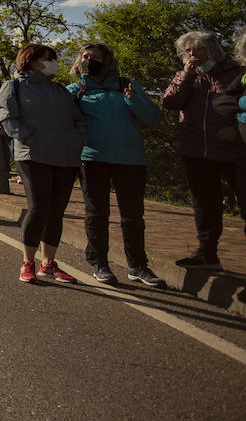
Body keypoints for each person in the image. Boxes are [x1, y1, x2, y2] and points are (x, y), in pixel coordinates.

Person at [68, 43, 165, 287]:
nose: (89, 60)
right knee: (97, 214)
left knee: (133, 216)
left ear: (107, 60)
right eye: (85, 56)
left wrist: (133, 101)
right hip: (92, 159)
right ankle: (99, 262)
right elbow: (60, 121)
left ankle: (138, 266)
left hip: (131, 160)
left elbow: (154, 118)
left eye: (94, 56)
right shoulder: (75, 90)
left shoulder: (127, 85)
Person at [0, 43, 86, 284]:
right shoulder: (13, 86)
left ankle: (48, 263)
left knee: (56, 211)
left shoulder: (59, 90)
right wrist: (32, 139)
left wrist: (76, 140)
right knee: (38, 208)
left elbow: (78, 119)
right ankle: (28, 261)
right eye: (49, 58)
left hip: (65, 157)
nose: (54, 63)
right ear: (32, 60)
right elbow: (8, 119)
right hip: (32, 156)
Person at [162, 31, 246, 271]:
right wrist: (186, 76)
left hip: (233, 151)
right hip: (195, 149)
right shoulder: (188, 76)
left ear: (214, 50)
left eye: (198, 49)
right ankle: (207, 254)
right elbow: (170, 103)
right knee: (205, 203)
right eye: (188, 50)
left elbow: (240, 105)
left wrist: (234, 128)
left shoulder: (237, 74)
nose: (193, 54)